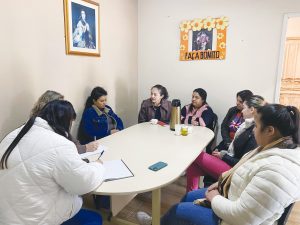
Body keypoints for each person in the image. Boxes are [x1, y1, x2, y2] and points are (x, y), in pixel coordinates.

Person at [137, 103, 300, 225]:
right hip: (232, 193)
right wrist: (220, 183)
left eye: (256, 126)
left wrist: (215, 197)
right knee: (188, 196)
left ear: (270, 131)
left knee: (176, 210)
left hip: (235, 219)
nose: (253, 130)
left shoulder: (278, 171)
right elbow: (242, 171)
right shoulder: (270, 147)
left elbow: (243, 217)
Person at [0, 100, 104, 225]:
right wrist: (98, 165)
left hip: (6, 216)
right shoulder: (60, 144)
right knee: (94, 219)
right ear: (66, 121)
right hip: (33, 219)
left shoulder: (14, 135)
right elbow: (83, 182)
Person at [186, 95, 265, 192]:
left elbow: (243, 163)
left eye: (244, 108)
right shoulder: (246, 125)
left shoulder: (254, 132)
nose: (242, 111)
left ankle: (193, 194)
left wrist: (224, 156)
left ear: (252, 110)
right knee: (193, 165)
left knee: (195, 154)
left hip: (234, 171)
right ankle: (192, 193)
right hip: (229, 161)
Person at [31, 90, 99, 153]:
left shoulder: (56, 120)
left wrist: (81, 146)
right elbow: (63, 149)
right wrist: (85, 148)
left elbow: (70, 138)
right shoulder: (41, 125)